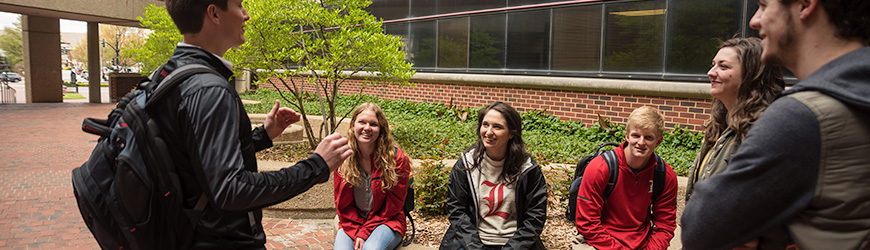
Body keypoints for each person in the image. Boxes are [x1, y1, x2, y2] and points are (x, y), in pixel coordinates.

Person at [154, 0, 353, 249]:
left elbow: (194, 157)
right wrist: (316, 166)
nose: (246, 15)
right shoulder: (209, 90)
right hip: (220, 240)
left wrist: (262, 136)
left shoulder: (167, 75)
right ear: (214, 13)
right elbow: (232, 190)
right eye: (240, 5)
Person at [680, 0, 870, 249]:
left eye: (763, 5)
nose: (754, 20)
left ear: (804, 5)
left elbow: (702, 225)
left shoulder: (802, 115)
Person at [684, 37, 785, 202]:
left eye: (723, 66)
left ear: (752, 74)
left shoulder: (764, 130)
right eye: (713, 64)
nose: (711, 72)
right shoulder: (720, 124)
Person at [440, 101, 548, 250]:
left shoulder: (528, 169)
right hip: (473, 242)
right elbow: (457, 212)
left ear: (511, 133)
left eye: (497, 127)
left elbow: (535, 217)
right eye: (485, 125)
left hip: (515, 244)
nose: (488, 132)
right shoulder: (466, 165)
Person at [573, 106, 678, 250]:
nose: (641, 142)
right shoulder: (600, 168)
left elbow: (665, 225)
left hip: (643, 243)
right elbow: (587, 223)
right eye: (636, 135)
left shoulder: (665, 175)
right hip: (599, 241)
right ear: (627, 136)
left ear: (658, 141)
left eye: (648, 137)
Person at [333, 103, 411, 250]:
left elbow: (393, 207)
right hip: (352, 221)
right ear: (353, 125)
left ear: (381, 129)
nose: (367, 128)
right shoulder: (343, 158)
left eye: (373, 124)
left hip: (387, 221)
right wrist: (357, 232)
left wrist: (365, 232)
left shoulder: (396, 160)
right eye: (362, 122)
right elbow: (343, 205)